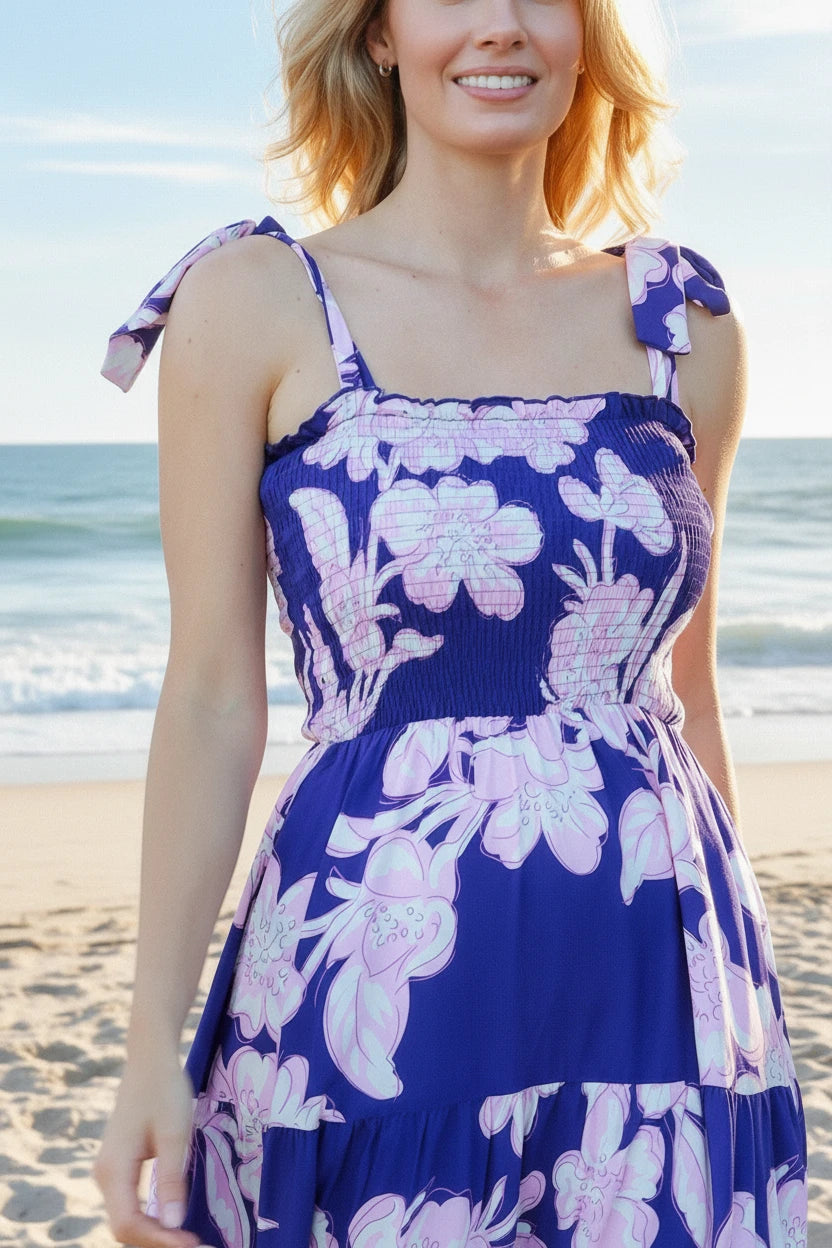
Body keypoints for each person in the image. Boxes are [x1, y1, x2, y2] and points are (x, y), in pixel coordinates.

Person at [93, 0, 809, 1244]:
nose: (501, 27)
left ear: (589, 34)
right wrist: (150, 1043)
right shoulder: (257, 299)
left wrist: (732, 1006)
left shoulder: (682, 329)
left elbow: (682, 698)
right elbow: (212, 694)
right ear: (376, 33)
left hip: (654, 972)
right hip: (372, 963)